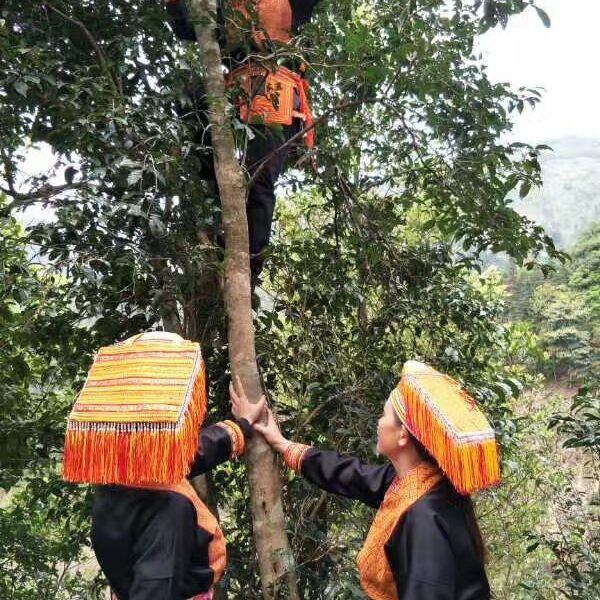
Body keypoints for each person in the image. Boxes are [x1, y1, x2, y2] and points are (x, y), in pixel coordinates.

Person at [253, 360, 500, 600]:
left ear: (403, 434)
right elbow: (350, 474)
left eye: (384, 416)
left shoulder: (423, 517)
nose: (378, 423)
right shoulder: (415, 483)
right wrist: (283, 445)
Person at [63, 331, 266, 600]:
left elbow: (190, 452)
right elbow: (156, 588)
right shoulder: (170, 511)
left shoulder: (118, 467)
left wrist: (241, 427)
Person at [165, 0, 321, 286]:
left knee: (260, 180)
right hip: (235, 93)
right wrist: (174, 7)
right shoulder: (228, 7)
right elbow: (192, 28)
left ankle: (250, 263)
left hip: (275, 90)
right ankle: (215, 208)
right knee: (190, 98)